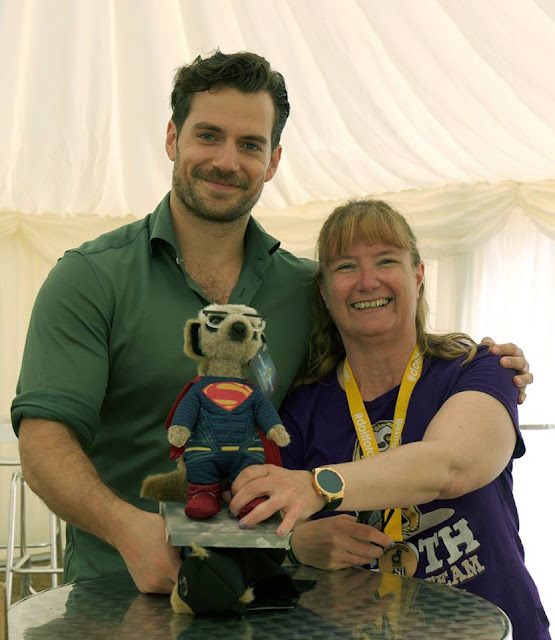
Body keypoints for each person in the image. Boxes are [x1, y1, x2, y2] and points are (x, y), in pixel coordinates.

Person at [11, 51, 532, 596]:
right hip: (121, 596)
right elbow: (44, 442)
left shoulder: (306, 289)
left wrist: (491, 366)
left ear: (274, 159)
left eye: (250, 144)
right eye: (208, 135)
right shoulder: (91, 278)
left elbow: (387, 341)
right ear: (172, 138)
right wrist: (126, 529)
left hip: (266, 603)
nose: (226, 161)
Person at [228, 199, 549, 639]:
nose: (367, 281)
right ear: (324, 291)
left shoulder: (480, 368)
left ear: (418, 275)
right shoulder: (301, 410)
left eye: (386, 260)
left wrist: (317, 486)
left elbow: (452, 464)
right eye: (345, 267)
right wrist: (295, 544)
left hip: (494, 629)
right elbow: (254, 530)